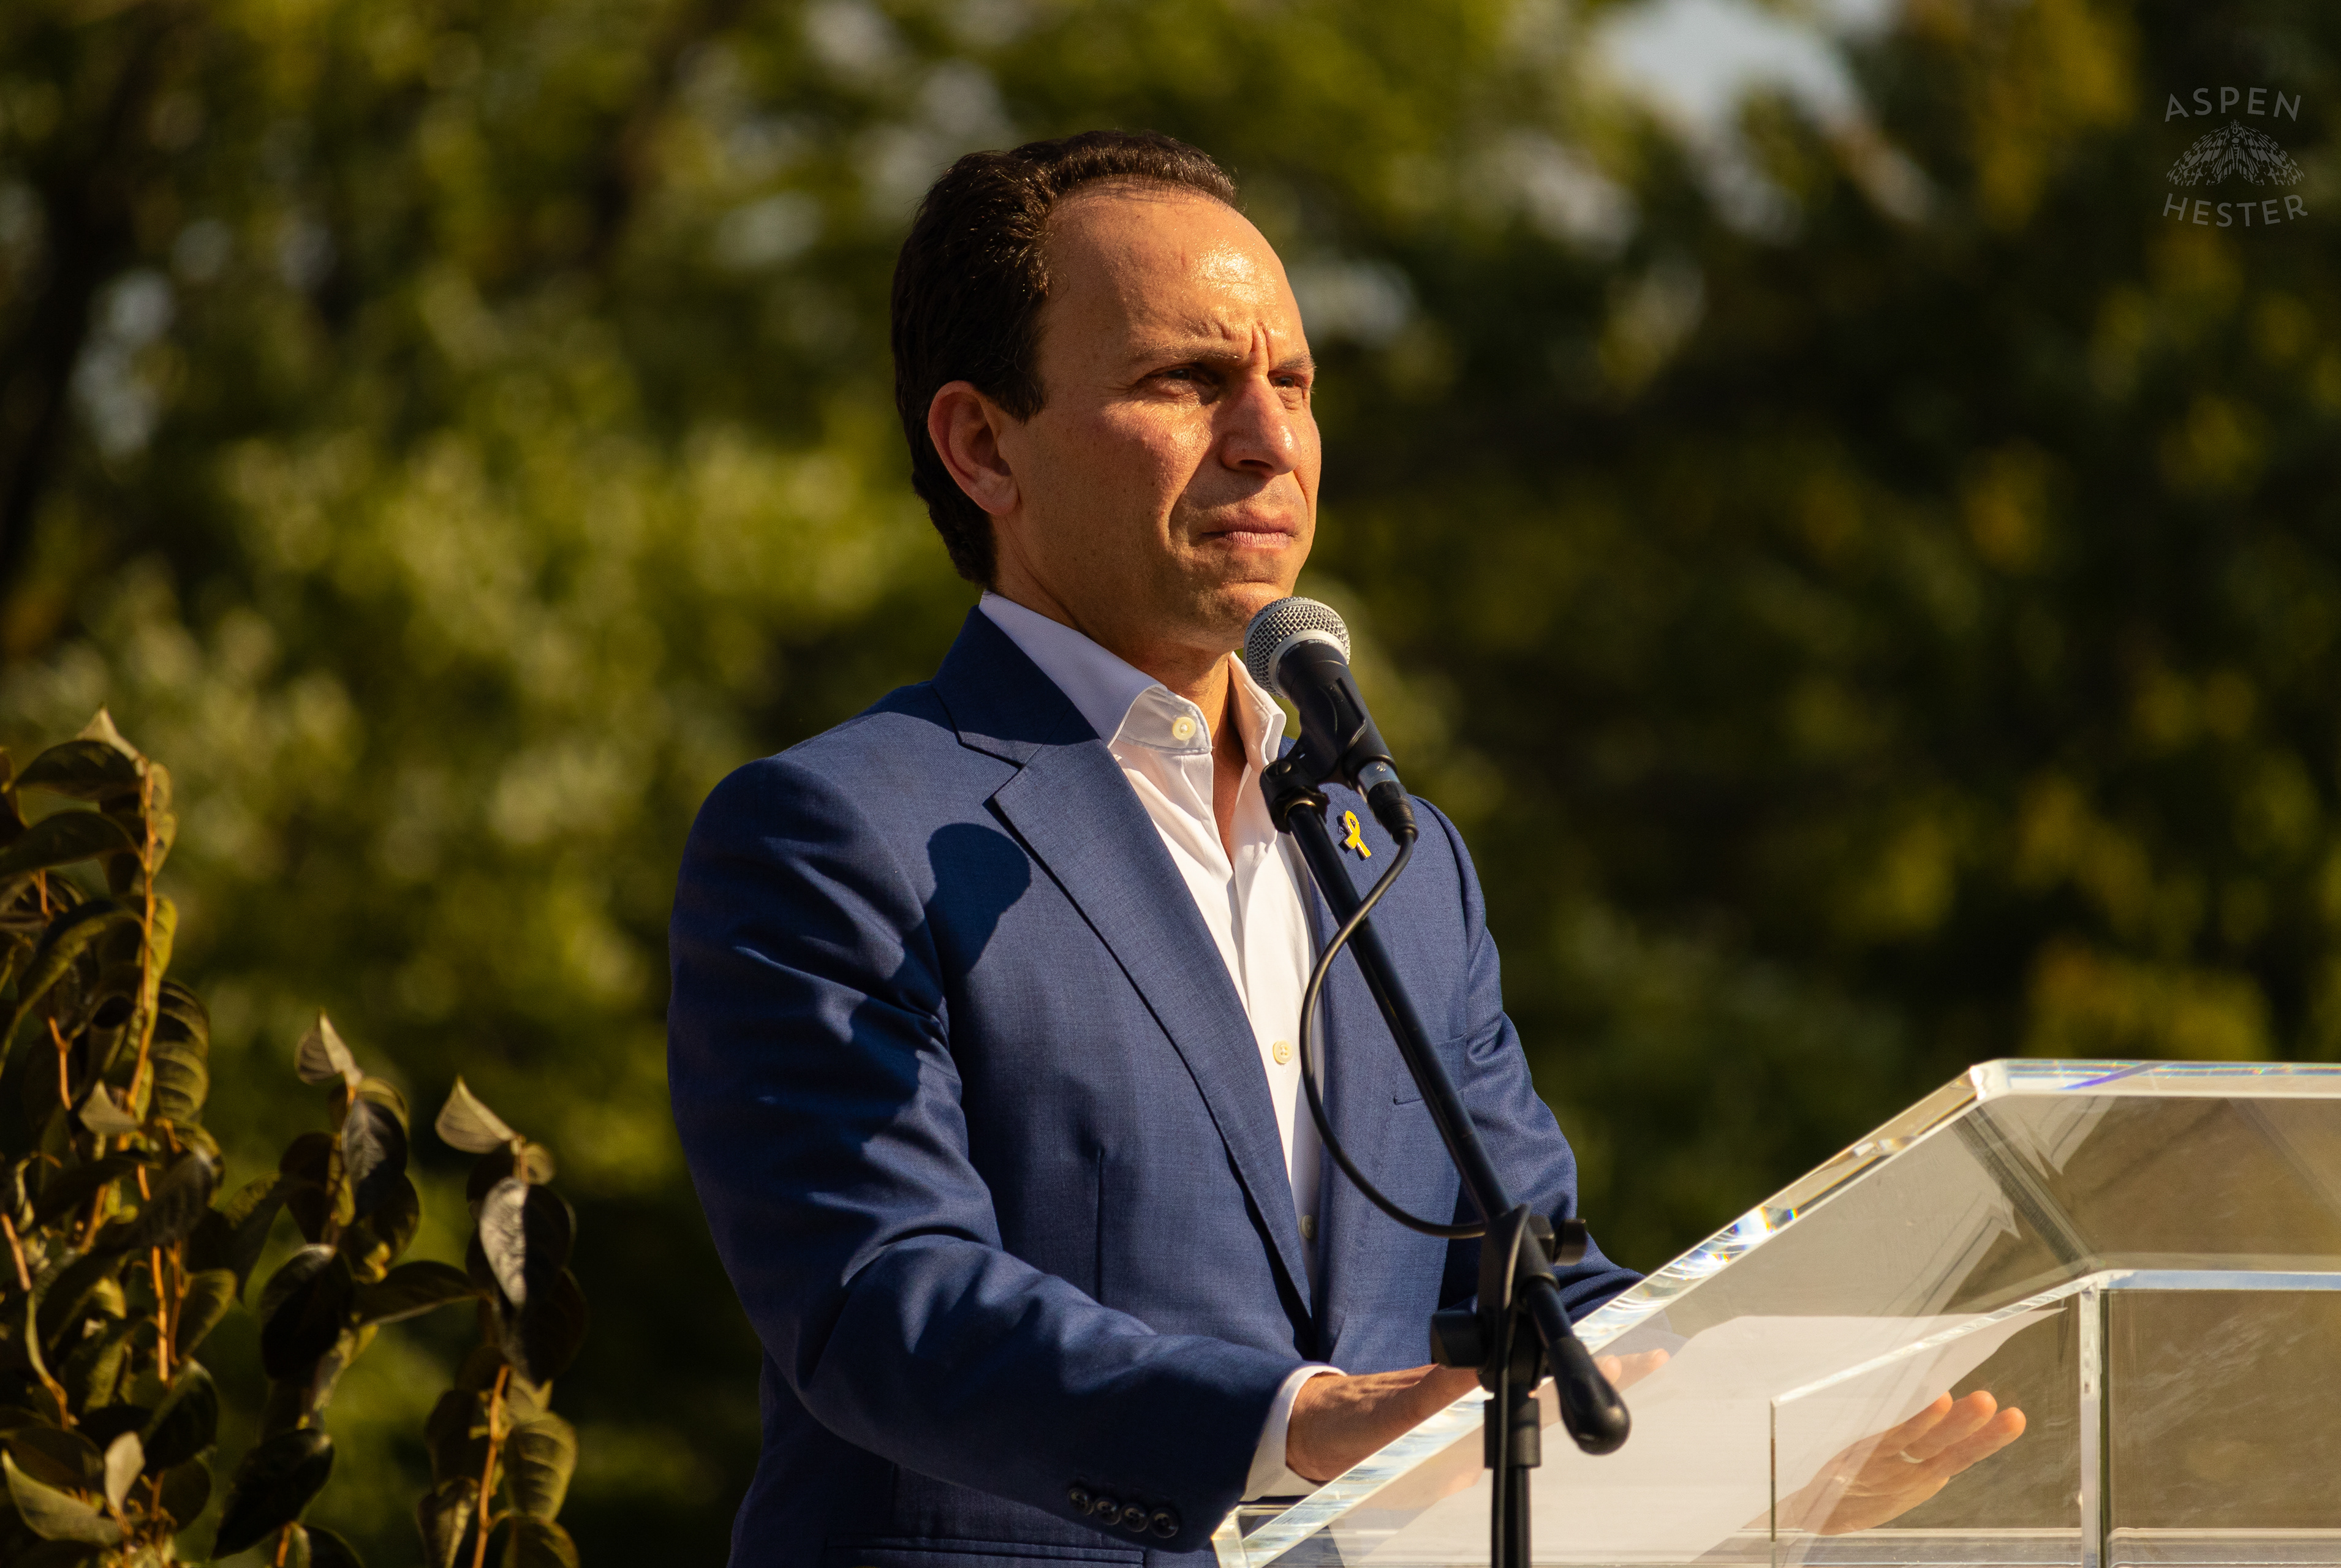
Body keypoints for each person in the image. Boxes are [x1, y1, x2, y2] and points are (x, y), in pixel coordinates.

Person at [666, 130, 2012, 1567]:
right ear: (982, 443)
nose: (1270, 437)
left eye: (1293, 381)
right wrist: (1302, 1418)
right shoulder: (836, 831)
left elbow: (1528, 1276)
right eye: (1186, 381)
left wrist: (1778, 1433)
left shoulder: (1396, 855)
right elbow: (884, 1297)